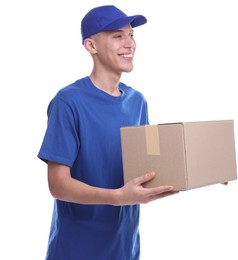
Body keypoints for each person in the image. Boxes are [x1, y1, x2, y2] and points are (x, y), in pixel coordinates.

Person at [38, 5, 177, 260]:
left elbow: (148, 166)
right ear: (91, 46)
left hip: (125, 248)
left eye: (132, 35)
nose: (130, 44)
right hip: (76, 251)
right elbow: (57, 184)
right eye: (118, 36)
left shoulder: (138, 101)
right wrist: (117, 197)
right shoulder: (68, 102)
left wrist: (202, 174)